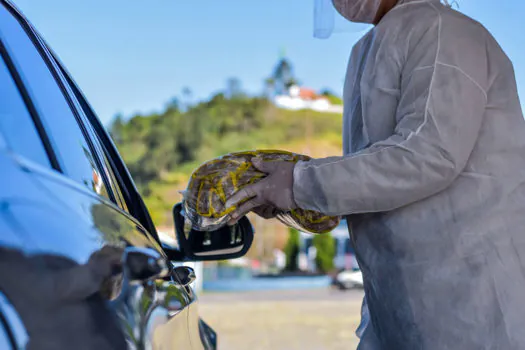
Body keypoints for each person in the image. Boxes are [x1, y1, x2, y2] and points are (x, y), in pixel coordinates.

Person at [226, 0, 525, 348]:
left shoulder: (443, 30)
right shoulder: (366, 51)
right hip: (399, 303)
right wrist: (296, 196)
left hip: (477, 301)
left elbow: (429, 155)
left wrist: (299, 183)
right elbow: (375, 175)